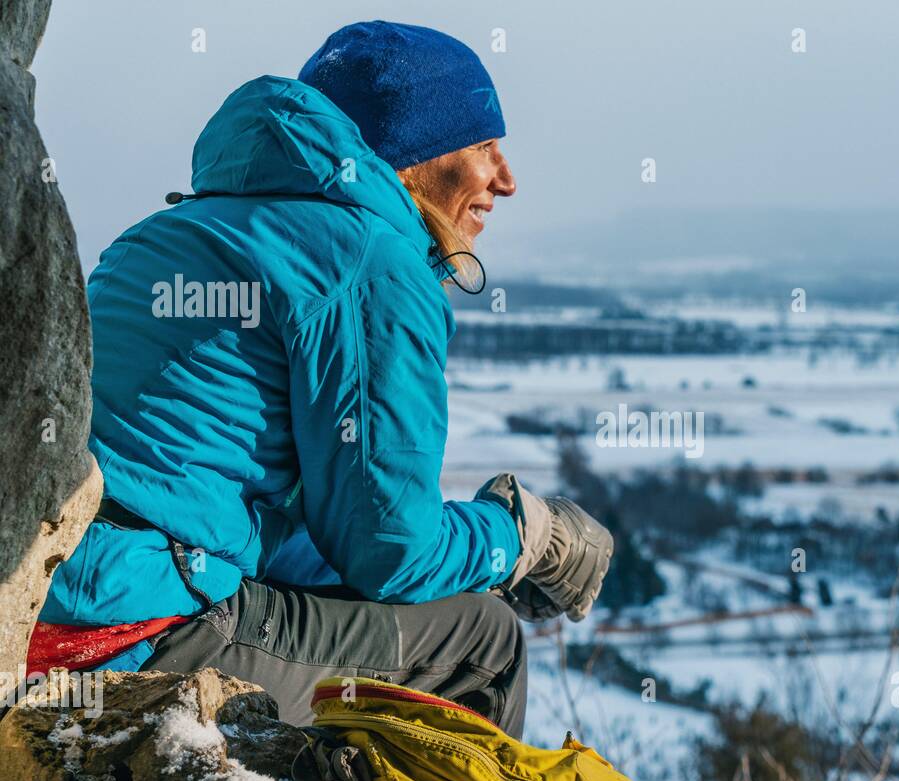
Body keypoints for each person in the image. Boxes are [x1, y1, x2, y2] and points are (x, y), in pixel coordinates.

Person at [31, 21, 613, 734]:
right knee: (484, 644)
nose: (506, 178)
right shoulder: (372, 261)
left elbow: (288, 529)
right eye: (484, 145)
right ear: (412, 153)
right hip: (136, 631)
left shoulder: (172, 229)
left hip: (51, 602)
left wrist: (469, 556)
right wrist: (524, 536)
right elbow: (390, 551)